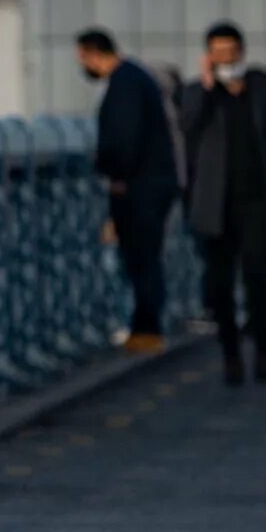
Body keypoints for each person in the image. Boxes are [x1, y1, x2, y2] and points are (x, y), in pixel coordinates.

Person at [177, 21, 266, 387]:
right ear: (208, 57)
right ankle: (230, 357)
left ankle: (263, 355)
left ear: (242, 51)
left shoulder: (261, 88)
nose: (226, 59)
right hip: (215, 205)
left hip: (257, 201)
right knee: (220, 286)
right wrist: (209, 88)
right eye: (218, 53)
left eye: (231, 52)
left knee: (258, 279)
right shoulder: (198, 93)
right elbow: (188, 128)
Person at [74, 28, 180, 352]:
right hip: (151, 183)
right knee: (146, 257)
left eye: (82, 58)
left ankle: (145, 330)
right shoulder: (135, 78)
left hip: (139, 188)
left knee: (141, 258)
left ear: (93, 54)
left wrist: (114, 172)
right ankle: (145, 327)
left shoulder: (125, 83)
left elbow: (123, 138)